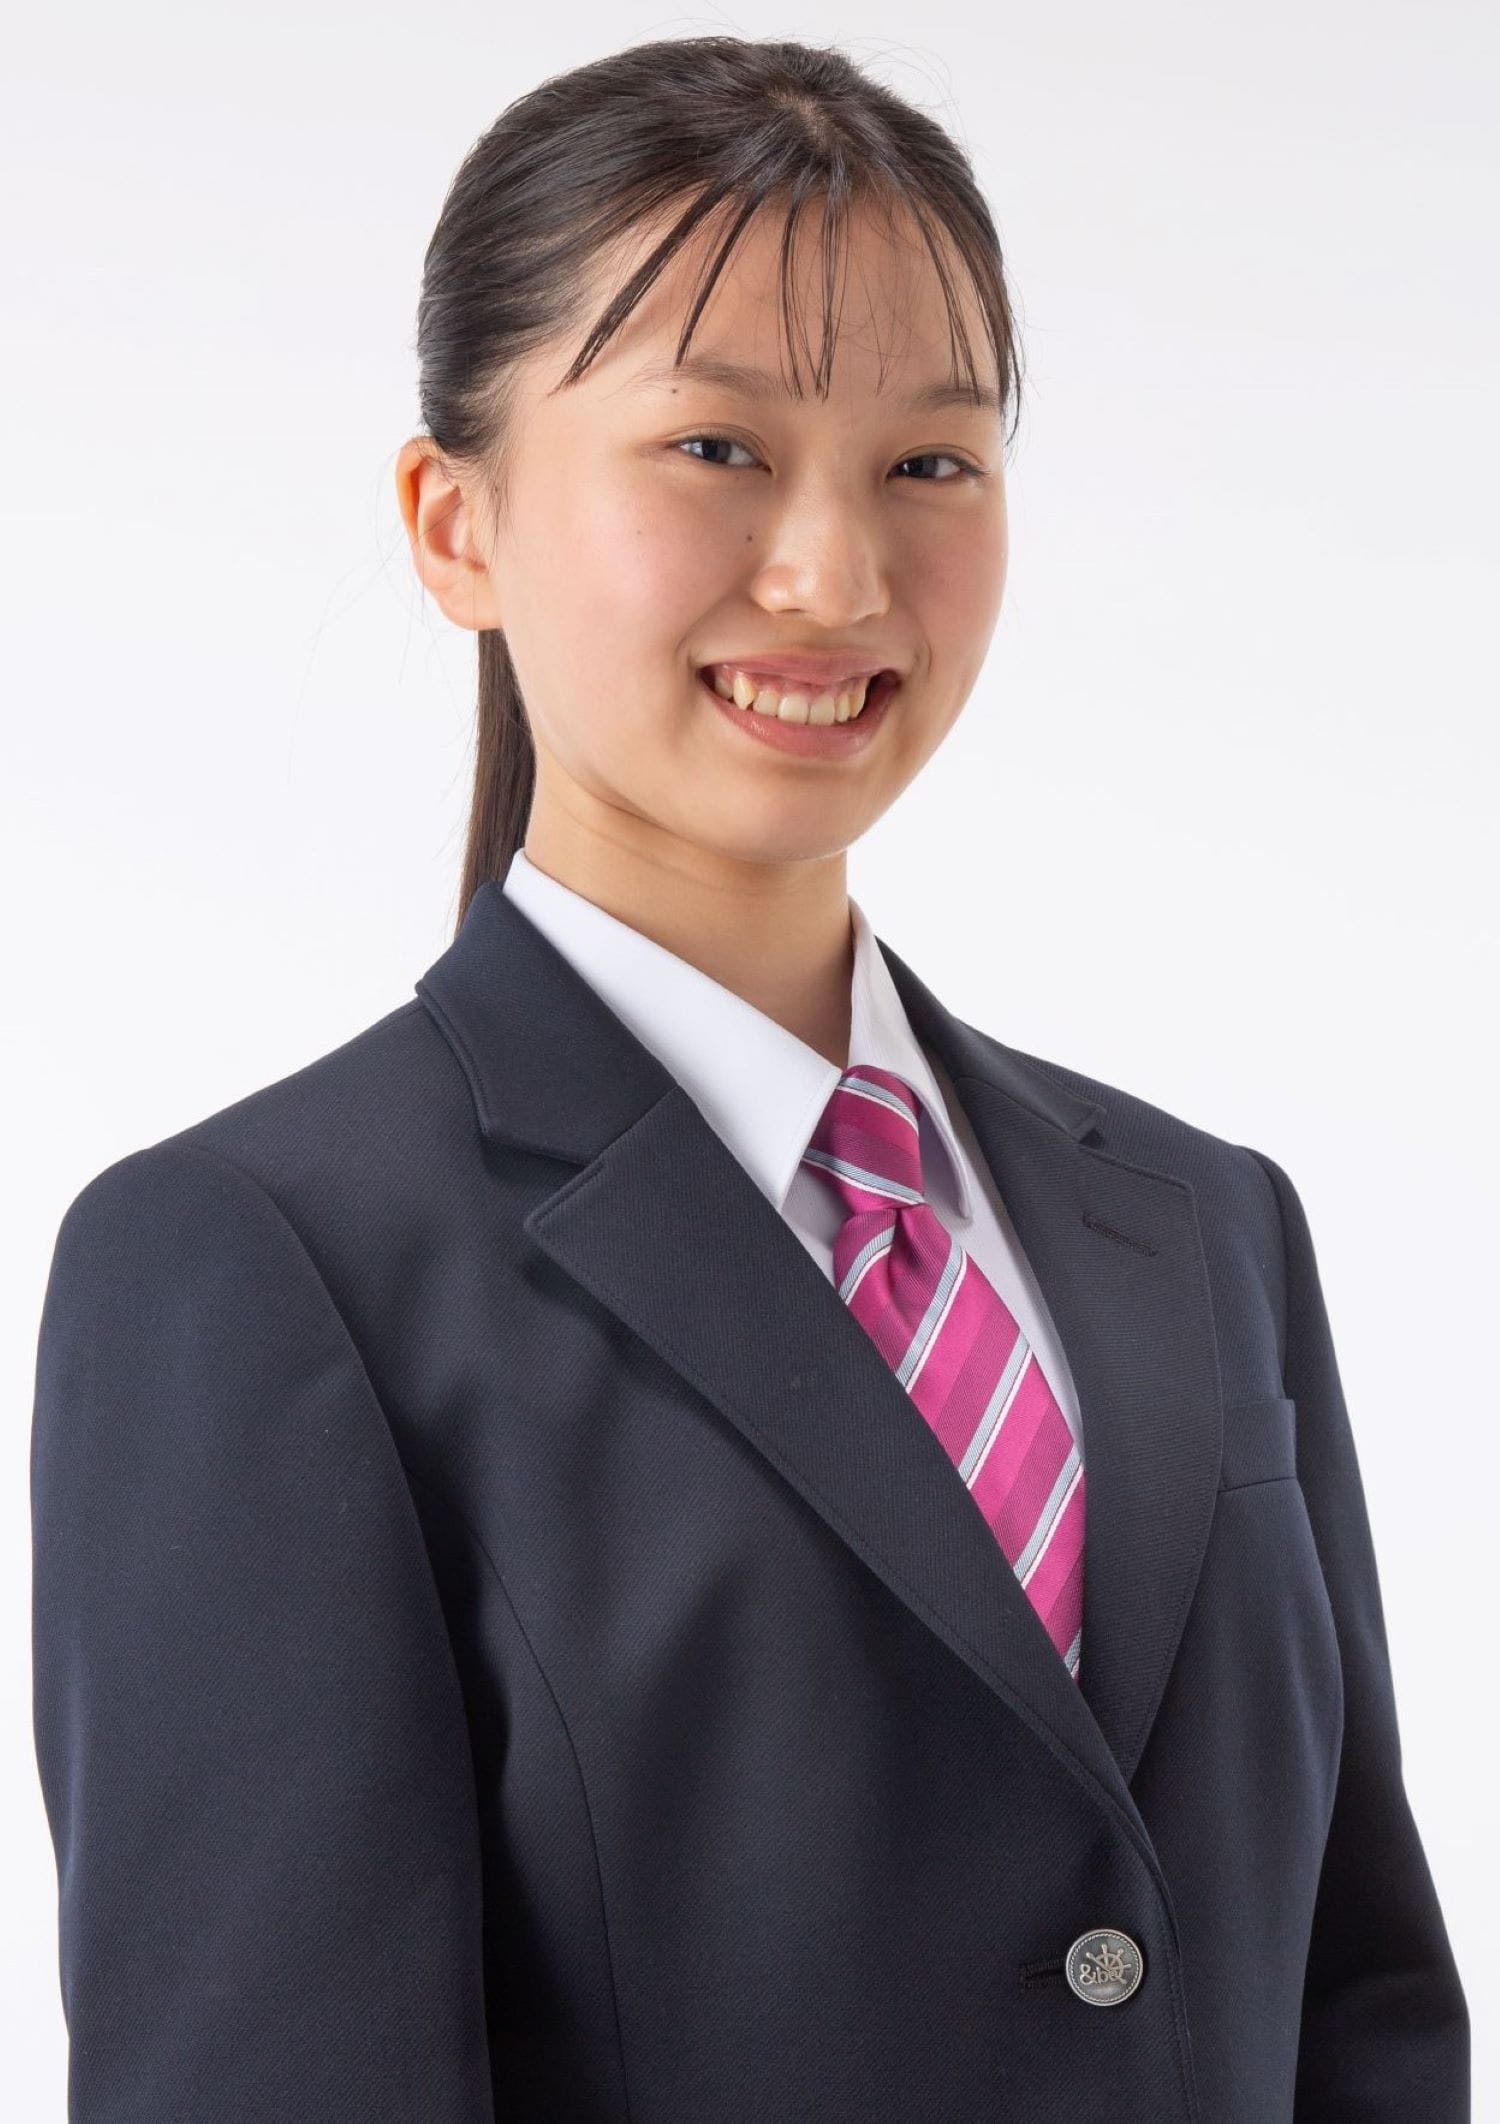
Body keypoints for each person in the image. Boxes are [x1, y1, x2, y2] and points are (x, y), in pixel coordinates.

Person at [29, 33, 1468, 2124]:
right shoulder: (264, 1270)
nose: (836, 575)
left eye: (932, 463)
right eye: (716, 447)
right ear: (454, 524)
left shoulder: (1206, 1223)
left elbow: (1362, 2015)